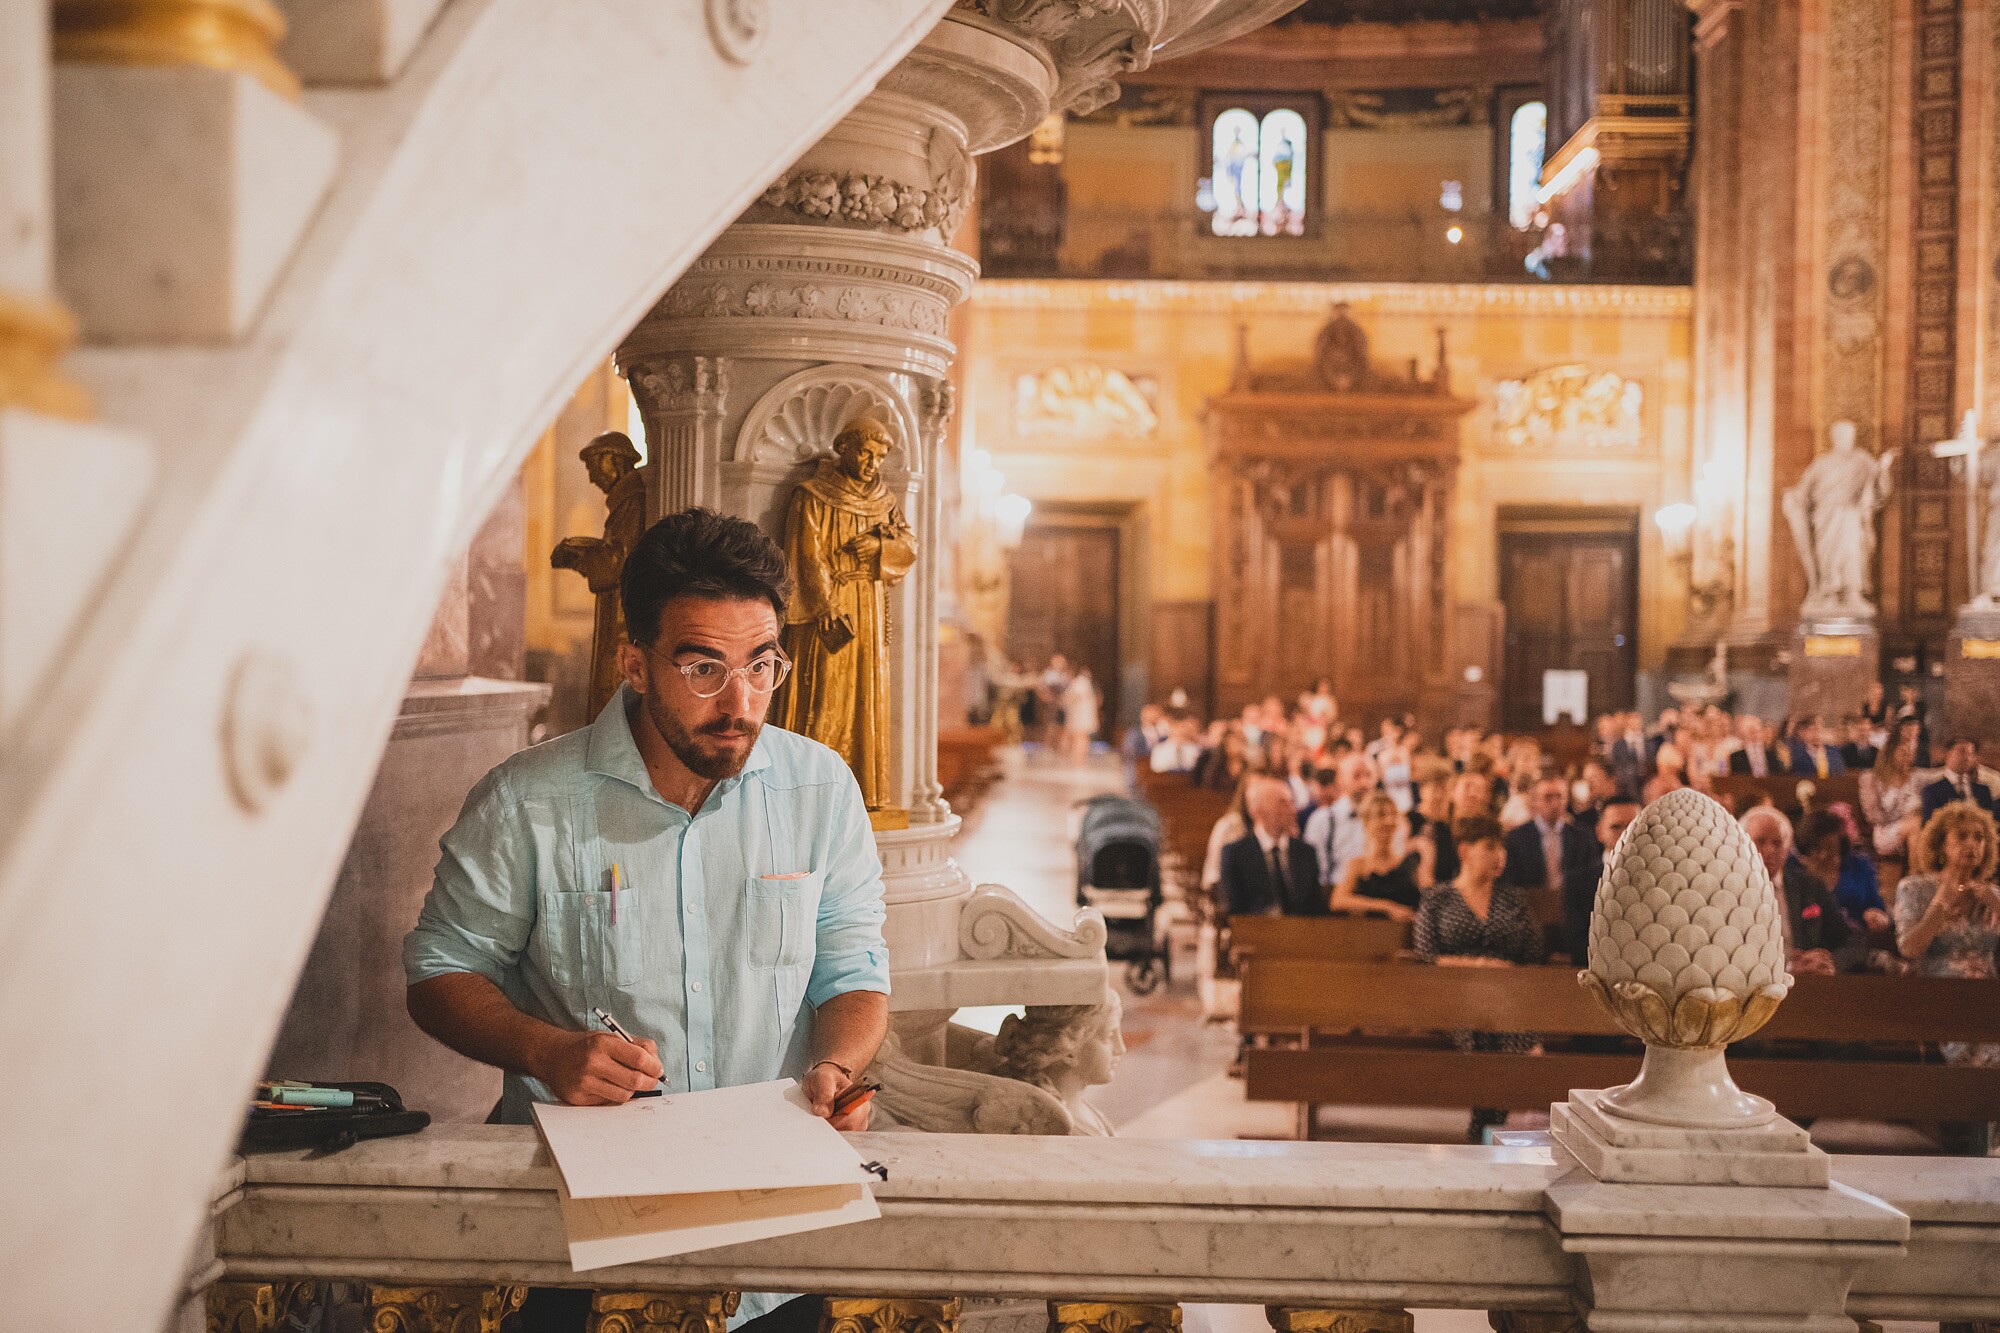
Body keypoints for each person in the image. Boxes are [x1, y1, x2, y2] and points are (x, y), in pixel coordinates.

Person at [405, 509, 889, 1333]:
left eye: (761, 664)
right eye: (704, 666)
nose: (739, 701)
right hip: (580, 1245)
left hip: (771, 1241)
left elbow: (852, 968)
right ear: (634, 661)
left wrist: (838, 1068)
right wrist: (545, 1049)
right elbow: (438, 971)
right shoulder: (528, 802)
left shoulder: (819, 790)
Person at [1414, 815, 1544, 1142]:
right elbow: (1427, 954)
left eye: (1502, 847)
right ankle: (1486, 1131)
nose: (1499, 855)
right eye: (1490, 847)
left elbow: (1533, 952)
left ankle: (1484, 1130)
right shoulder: (1438, 898)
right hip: (1457, 996)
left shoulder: (1512, 898)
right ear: (1465, 851)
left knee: (1505, 1033)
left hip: (1508, 998)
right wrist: (1482, 965)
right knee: (1485, 1035)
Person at [1895, 802, 2000, 1067]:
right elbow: (1909, 948)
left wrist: (1997, 905)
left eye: (1979, 837)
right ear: (1942, 845)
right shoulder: (1915, 889)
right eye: (1962, 836)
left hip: (1990, 998)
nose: (1972, 845)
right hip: (1940, 998)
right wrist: (1939, 906)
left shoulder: (1993, 895)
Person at [1739, 805, 1856, 976]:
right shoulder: (1728, 890)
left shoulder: (1810, 886)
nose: (1770, 850)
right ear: (1742, 844)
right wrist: (1786, 969)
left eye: (1777, 843)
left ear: (1787, 850)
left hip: (1808, 985)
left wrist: (1827, 963)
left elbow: (1852, 943)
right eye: (1760, 841)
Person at [1218, 776, 1326, 919]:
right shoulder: (1236, 853)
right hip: (1256, 935)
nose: (1292, 810)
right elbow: (1234, 910)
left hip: (1301, 935)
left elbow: (1315, 909)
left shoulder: (1305, 852)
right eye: (1282, 803)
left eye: (1291, 802)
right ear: (1258, 811)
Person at [1501, 775, 1598, 916]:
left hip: (1573, 910)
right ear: (1535, 801)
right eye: (1548, 797)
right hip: (1530, 910)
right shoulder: (1517, 838)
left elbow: (1590, 878)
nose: (1555, 803)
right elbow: (1510, 882)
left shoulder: (1582, 836)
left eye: (1560, 796)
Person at [1789, 811, 1874, 970]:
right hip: (1800, 958)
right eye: (1815, 848)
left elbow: (1852, 938)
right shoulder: (1793, 873)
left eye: (1829, 847)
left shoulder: (1858, 864)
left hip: (1842, 952)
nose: (1822, 855)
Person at [1331, 790, 1431, 921]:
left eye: (1393, 814)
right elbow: (1338, 901)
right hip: (1369, 935)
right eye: (1381, 815)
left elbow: (1429, 898)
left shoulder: (1410, 862)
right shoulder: (1357, 864)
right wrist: (1387, 907)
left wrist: (1428, 855)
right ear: (1367, 822)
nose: (1389, 821)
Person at [1303, 752, 1391, 891]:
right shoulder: (1323, 819)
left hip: (1378, 890)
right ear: (1341, 779)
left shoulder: (1389, 819)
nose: (1364, 783)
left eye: (1369, 775)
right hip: (1336, 895)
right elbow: (1315, 870)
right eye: (1356, 776)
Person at [1567, 798, 1638, 964]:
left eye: (1634, 826)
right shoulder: (1578, 882)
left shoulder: (1659, 878)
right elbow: (1578, 944)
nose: (1626, 834)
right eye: (1616, 827)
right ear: (1600, 832)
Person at [1862, 719, 1925, 861]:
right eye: (1903, 753)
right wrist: (1904, 817)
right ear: (1890, 754)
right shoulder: (1872, 779)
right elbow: (1872, 816)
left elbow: (1940, 774)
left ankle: (1917, 873)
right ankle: (1916, 876)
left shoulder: (1915, 778)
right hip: (1886, 831)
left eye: (1909, 754)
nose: (1907, 758)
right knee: (1916, 824)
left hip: (1913, 829)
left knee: (1919, 827)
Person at [1921, 738, 1997, 822]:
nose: (1967, 758)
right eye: (1962, 752)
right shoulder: (1932, 791)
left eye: (1970, 754)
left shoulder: (1983, 790)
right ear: (1948, 754)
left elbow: (1990, 822)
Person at [1060, 667, 1099, 763]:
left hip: (1081, 715)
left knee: (1080, 737)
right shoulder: (1080, 682)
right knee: (1081, 736)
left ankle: (1079, 758)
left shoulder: (1080, 683)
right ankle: (1079, 758)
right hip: (1080, 714)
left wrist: (1065, 699)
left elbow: (1075, 697)